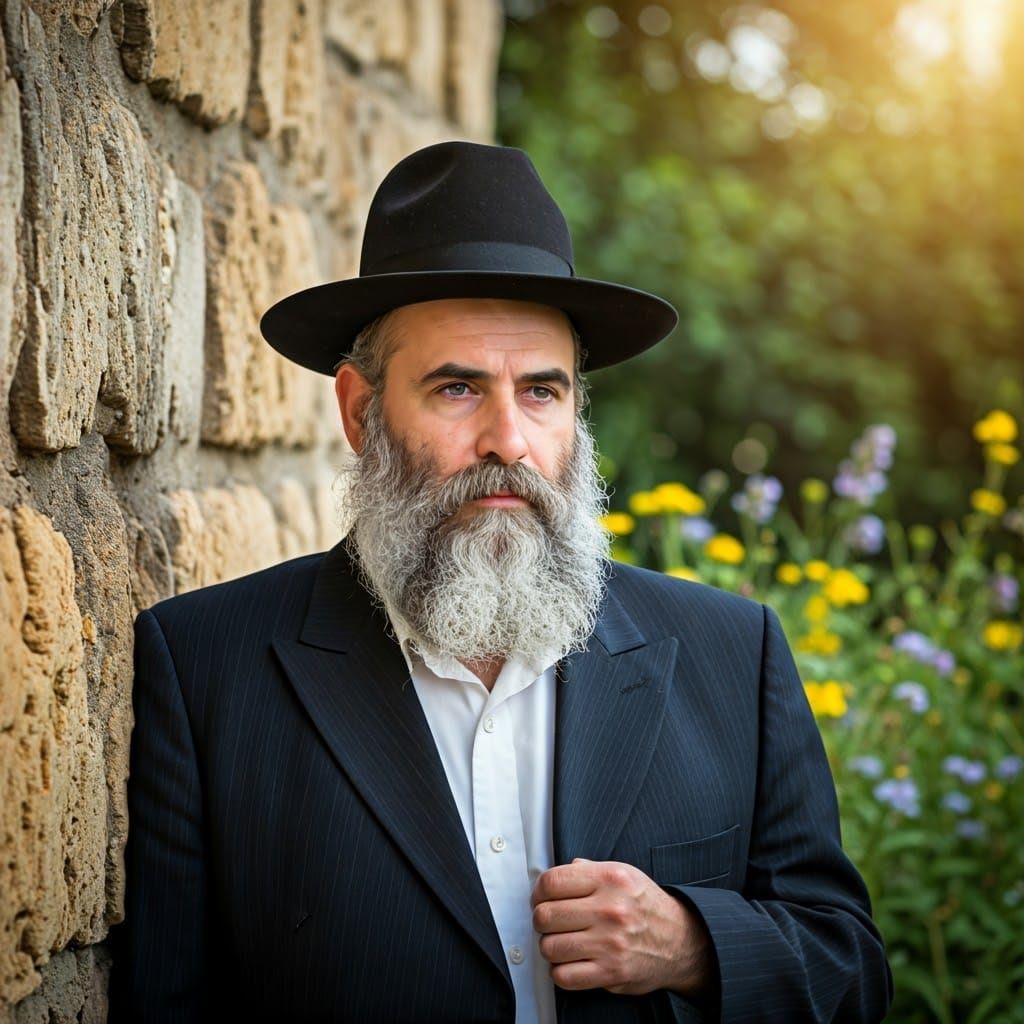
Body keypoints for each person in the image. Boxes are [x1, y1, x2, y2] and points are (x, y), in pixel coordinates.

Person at [111, 141, 892, 1022]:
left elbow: (849, 970)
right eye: (456, 388)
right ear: (361, 413)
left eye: (543, 392)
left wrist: (692, 944)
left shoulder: (730, 651)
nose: (508, 441)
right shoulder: (209, 667)